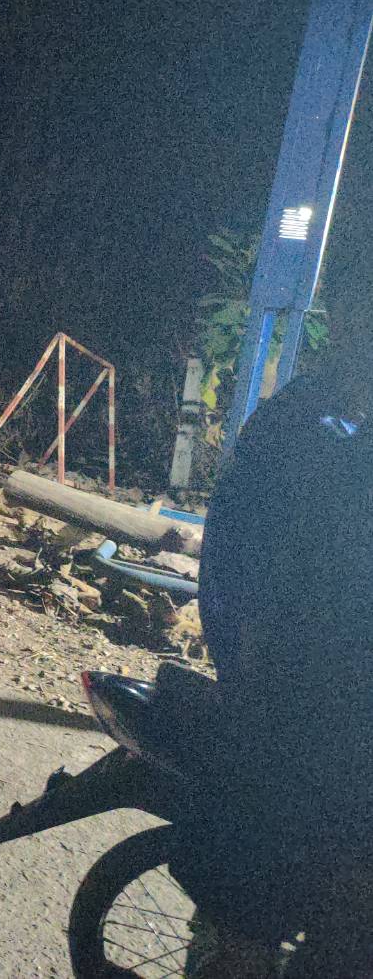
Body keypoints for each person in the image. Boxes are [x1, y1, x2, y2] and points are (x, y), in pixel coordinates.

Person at [185, 268, 373, 974]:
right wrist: (252, 670)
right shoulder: (310, 430)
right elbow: (248, 573)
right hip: (293, 699)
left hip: (319, 691)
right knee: (254, 915)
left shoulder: (334, 423)